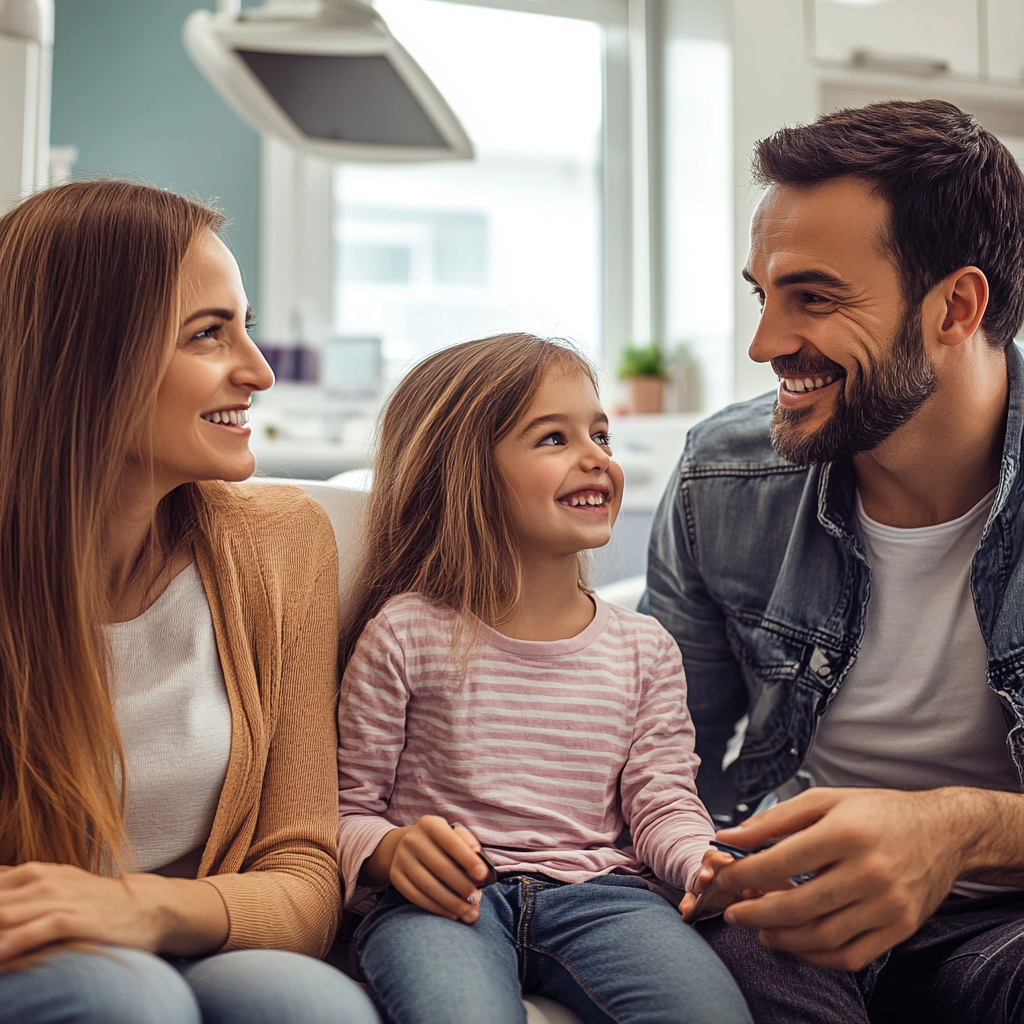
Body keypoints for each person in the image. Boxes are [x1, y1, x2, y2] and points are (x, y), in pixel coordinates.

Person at [644, 99, 1024, 1023]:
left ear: (956, 306)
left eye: (813, 297)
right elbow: (651, 755)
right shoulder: (720, 479)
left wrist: (958, 832)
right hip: (787, 906)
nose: (765, 343)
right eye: (761, 295)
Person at [0, 181, 378, 1024]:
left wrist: (144, 909)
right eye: (208, 334)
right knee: (129, 1001)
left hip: (184, 935)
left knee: (309, 1007)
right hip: (34, 952)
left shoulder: (283, 545)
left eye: (243, 324)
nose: (260, 370)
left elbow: (305, 875)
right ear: (84, 357)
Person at [336, 334, 753, 1024]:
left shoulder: (644, 648)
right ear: (466, 472)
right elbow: (347, 808)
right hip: (445, 902)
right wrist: (390, 851)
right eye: (553, 439)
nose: (596, 457)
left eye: (600, 434)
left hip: (606, 899)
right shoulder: (406, 632)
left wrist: (701, 863)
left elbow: (663, 803)